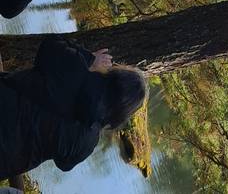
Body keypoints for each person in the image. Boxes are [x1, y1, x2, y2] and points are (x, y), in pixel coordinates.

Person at [0, 38, 147, 181]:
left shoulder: (75, 66)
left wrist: (90, 59)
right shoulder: (87, 142)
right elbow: (64, 164)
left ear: (115, 74)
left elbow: (49, 44)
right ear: (120, 113)